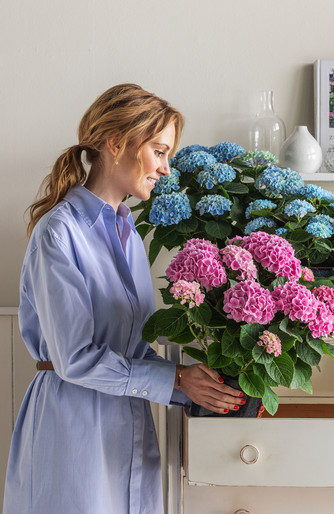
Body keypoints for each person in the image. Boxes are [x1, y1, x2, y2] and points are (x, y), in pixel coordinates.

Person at [2, 83, 244, 514]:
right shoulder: (59, 232)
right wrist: (173, 381)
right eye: (160, 151)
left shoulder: (128, 231)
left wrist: (192, 385)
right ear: (116, 144)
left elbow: (130, 350)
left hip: (128, 418)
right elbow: (74, 357)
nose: (165, 169)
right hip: (72, 424)